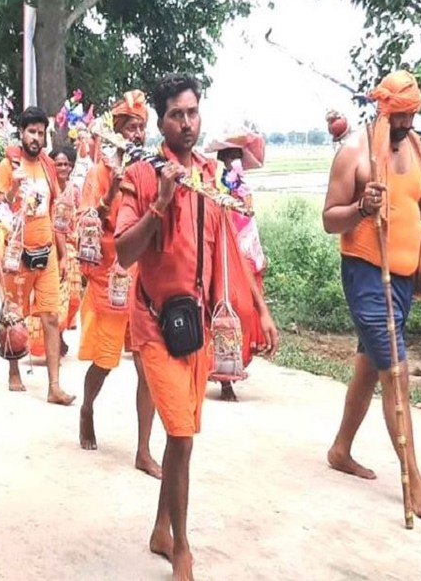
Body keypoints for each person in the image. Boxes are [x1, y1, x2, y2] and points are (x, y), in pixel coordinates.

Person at [116, 74, 278, 580]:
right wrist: (160, 203)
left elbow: (233, 250)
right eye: (176, 115)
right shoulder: (141, 175)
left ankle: (162, 528)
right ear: (160, 123)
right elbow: (123, 251)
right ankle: (182, 547)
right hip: (152, 322)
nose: (186, 123)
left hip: (198, 328)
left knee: (182, 435)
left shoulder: (210, 175)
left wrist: (260, 308)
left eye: (192, 113)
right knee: (182, 436)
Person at [320, 70, 421, 519]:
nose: (408, 124)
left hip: (402, 278)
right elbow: (330, 219)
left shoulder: (418, 148)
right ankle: (414, 482)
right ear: (383, 110)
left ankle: (341, 449)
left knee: (371, 366)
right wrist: (361, 207)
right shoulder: (355, 153)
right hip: (369, 277)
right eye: (401, 116)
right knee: (396, 373)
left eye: (412, 115)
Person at [76, 90, 163, 478]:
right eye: (131, 127)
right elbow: (89, 220)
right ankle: (87, 407)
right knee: (106, 360)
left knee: (147, 365)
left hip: (143, 279)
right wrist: (114, 185)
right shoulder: (98, 173)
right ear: (115, 132)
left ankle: (143, 450)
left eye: (142, 127)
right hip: (109, 275)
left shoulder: (149, 169)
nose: (137, 134)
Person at [0, 107, 74, 405]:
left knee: (51, 316)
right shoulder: (9, 165)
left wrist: (63, 253)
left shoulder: (49, 166)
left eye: (40, 133)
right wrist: (13, 189)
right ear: (21, 133)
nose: (35, 138)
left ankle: (54, 385)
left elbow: (54, 211)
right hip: (18, 252)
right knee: (14, 315)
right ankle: (14, 369)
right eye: (31, 132)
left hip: (47, 251)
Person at [205, 131, 268, 402]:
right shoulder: (213, 185)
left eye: (236, 156)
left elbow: (248, 218)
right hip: (220, 249)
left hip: (242, 249)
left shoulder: (243, 188)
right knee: (221, 303)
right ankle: (222, 377)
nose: (233, 161)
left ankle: (231, 367)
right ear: (221, 158)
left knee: (243, 309)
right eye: (229, 156)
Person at [26, 145, 78, 359]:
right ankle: (48, 343)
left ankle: (59, 336)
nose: (63, 168)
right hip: (55, 250)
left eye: (66, 164)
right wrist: (63, 255)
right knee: (56, 303)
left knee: (73, 299)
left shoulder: (74, 189)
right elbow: (56, 225)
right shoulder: (49, 189)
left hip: (73, 250)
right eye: (59, 164)